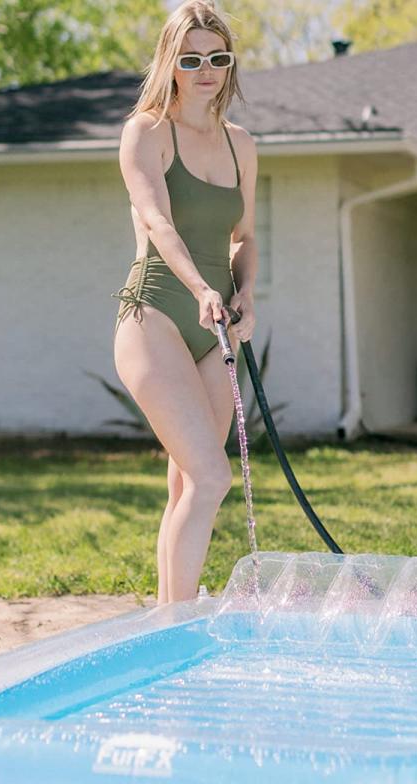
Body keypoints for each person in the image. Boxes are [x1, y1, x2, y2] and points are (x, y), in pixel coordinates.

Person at [110, 1, 258, 605]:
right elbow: (157, 220)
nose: (206, 70)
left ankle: (171, 620)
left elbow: (245, 236)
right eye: (191, 58)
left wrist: (245, 292)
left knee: (186, 487)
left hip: (217, 324)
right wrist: (201, 288)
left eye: (217, 58)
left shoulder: (240, 143)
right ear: (171, 62)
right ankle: (180, 624)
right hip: (158, 317)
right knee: (212, 477)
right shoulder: (147, 130)